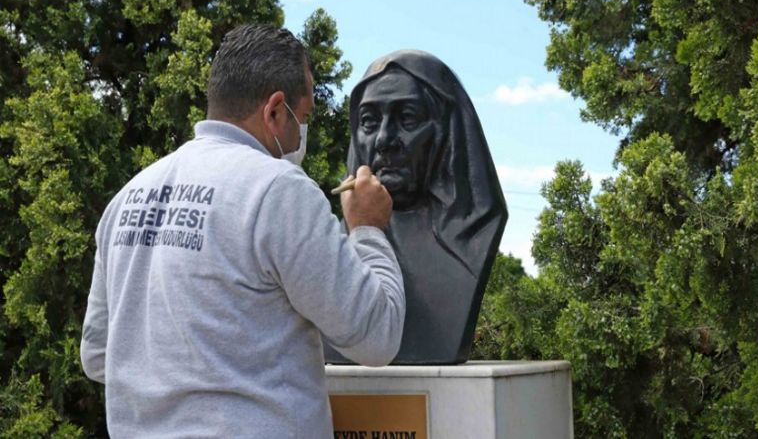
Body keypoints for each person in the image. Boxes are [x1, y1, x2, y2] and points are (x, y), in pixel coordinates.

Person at [80, 24, 405, 438]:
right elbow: (376, 336)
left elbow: (97, 355)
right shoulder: (278, 190)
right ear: (274, 111)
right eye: (302, 118)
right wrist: (367, 229)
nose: (302, 133)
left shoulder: (127, 198)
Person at [324, 50, 507, 364]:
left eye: (407, 119)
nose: (384, 140)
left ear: (447, 132)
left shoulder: (474, 234)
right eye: (368, 122)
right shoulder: (329, 249)